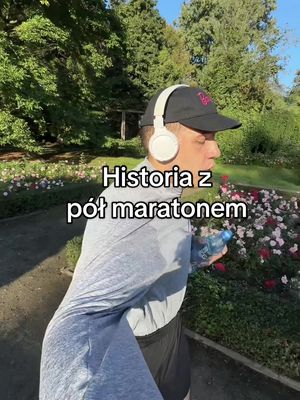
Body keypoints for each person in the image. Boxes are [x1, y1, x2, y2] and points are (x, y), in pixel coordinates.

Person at [39, 84, 241, 400]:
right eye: (202, 139)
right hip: (139, 348)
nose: (215, 150)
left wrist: (190, 255)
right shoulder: (133, 211)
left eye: (213, 139)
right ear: (163, 145)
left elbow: (152, 253)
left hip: (170, 333)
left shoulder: (165, 190)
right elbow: (77, 322)